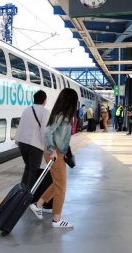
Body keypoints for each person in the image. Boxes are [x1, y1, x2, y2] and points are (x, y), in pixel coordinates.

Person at [29, 88, 78, 228]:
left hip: (57, 152)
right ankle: (57, 219)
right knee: (61, 187)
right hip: (54, 153)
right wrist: (52, 150)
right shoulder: (62, 114)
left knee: (57, 184)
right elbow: (48, 133)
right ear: (70, 101)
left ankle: (38, 205)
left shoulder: (62, 114)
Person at [15, 90, 50, 188]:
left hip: (22, 143)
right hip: (35, 146)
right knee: (33, 171)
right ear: (44, 100)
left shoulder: (26, 109)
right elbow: (44, 131)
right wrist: (47, 146)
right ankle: (28, 196)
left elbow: (21, 126)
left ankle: (21, 192)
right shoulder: (45, 112)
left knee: (28, 168)